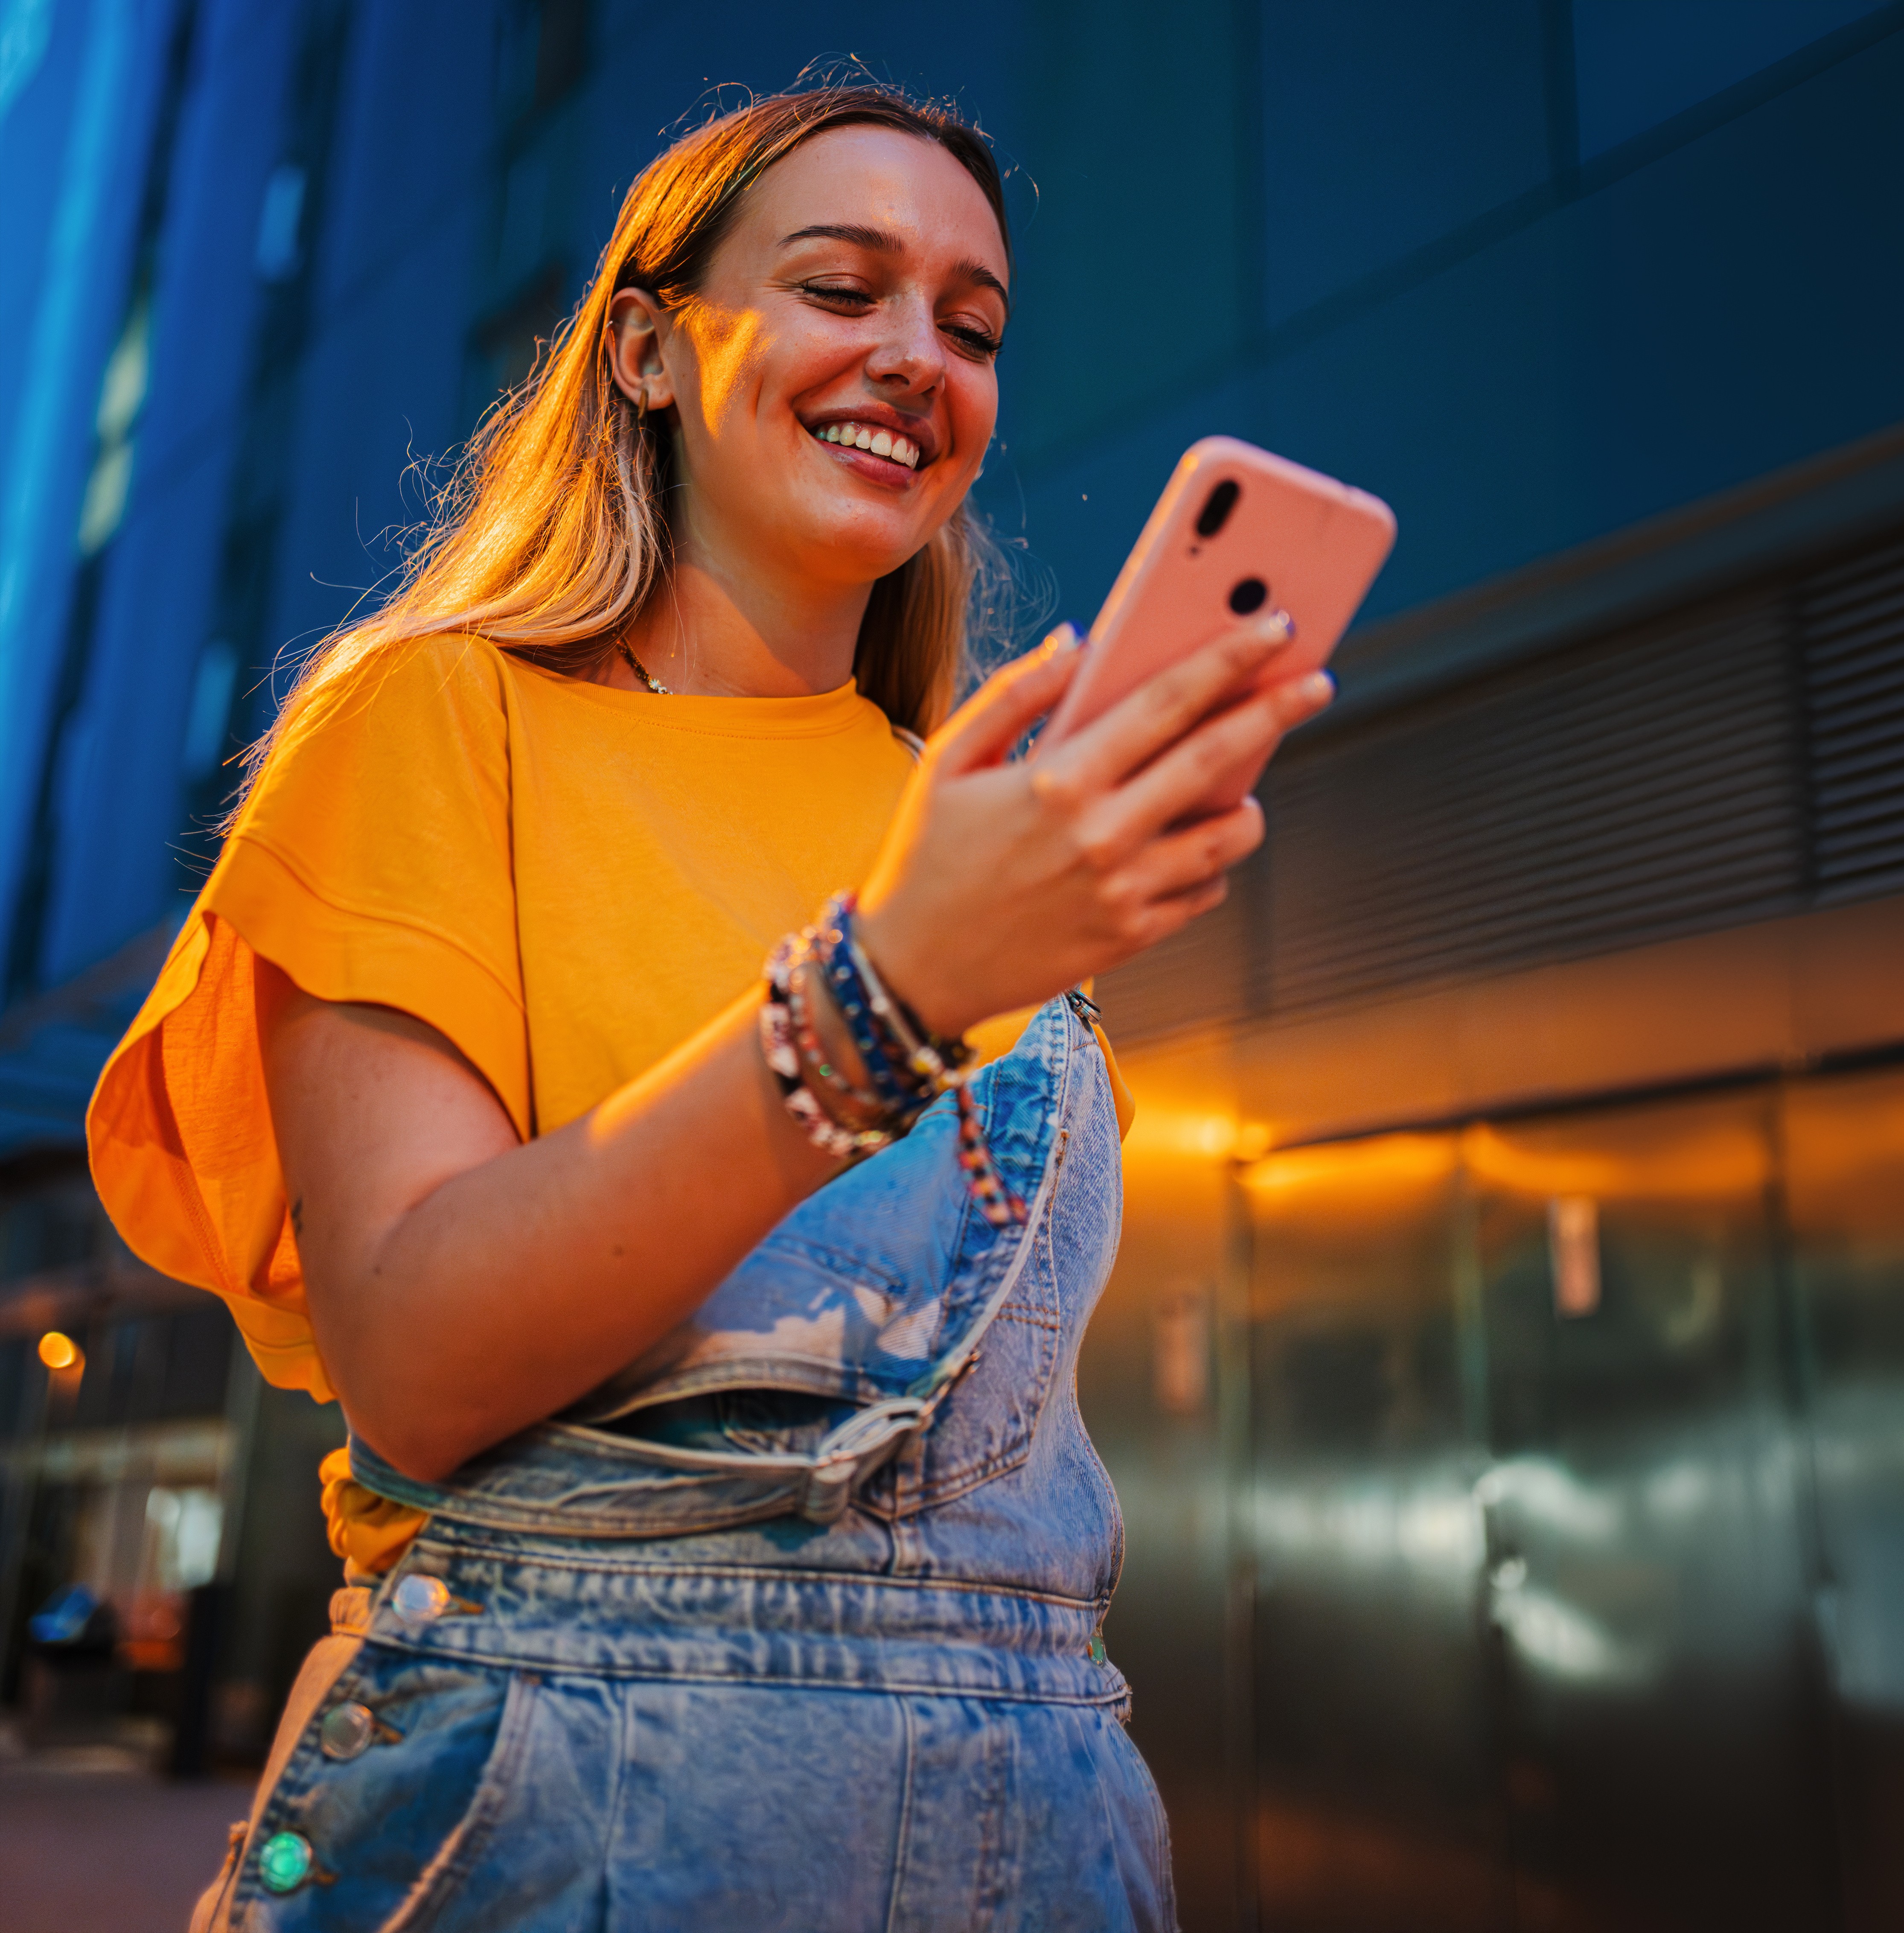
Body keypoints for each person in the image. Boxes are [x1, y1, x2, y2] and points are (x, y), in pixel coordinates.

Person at [87, 82, 1325, 1931]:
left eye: (971, 327)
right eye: (844, 289)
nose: (916, 357)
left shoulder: (962, 814)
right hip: (549, 1791)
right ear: (652, 352)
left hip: (1037, 1811)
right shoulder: (434, 721)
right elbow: (418, 1363)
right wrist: (881, 1000)